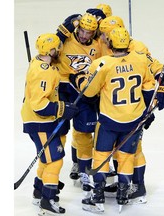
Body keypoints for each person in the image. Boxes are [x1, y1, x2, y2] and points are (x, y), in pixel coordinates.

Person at [72, 27, 164, 213]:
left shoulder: (102, 64)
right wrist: (156, 101)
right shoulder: (141, 59)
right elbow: (150, 88)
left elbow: (89, 92)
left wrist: (79, 78)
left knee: (101, 155)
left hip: (109, 121)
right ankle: (123, 194)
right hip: (133, 121)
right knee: (127, 157)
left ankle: (98, 196)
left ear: (110, 43)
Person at [98, 15, 164, 205]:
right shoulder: (109, 46)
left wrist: (160, 94)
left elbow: (156, 69)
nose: (102, 37)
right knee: (120, 148)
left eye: (105, 34)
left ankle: (137, 186)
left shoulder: (137, 48)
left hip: (135, 109)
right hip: (119, 106)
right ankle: (125, 181)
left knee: (133, 149)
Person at [21, 33, 79, 215]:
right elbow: (39, 105)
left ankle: (38, 191)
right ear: (51, 50)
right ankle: (48, 199)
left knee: (47, 158)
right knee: (54, 159)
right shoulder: (44, 71)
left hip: (39, 121)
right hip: (39, 122)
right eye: (57, 47)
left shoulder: (37, 62)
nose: (59, 50)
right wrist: (61, 108)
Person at [55, 13, 102, 195]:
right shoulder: (66, 39)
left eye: (88, 33)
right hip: (63, 90)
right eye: (81, 31)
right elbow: (50, 47)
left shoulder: (98, 45)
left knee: (84, 132)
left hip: (84, 93)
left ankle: (84, 172)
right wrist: (63, 29)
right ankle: (52, 173)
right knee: (60, 132)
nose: (84, 36)